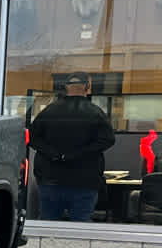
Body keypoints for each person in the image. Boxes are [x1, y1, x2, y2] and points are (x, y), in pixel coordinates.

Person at [29, 73, 116, 222]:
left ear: (65, 87)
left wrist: (55, 154)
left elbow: (31, 137)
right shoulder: (95, 113)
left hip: (50, 179)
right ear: (87, 88)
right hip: (84, 180)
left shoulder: (49, 111)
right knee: (80, 225)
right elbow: (108, 140)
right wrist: (78, 154)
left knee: (48, 224)